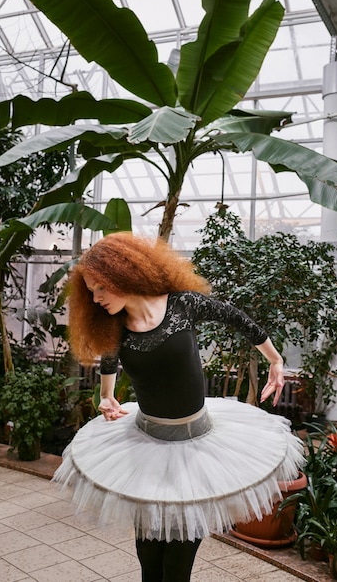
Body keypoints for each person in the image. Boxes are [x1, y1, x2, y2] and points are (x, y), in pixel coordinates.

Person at [53, 232, 304, 582]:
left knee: (178, 566)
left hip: (198, 450)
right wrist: (106, 396)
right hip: (146, 447)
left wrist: (275, 361)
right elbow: (108, 364)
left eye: (100, 288)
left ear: (122, 275)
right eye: (90, 291)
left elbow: (240, 321)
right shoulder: (115, 326)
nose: (94, 299)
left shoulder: (183, 304)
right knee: (150, 561)